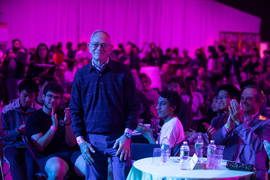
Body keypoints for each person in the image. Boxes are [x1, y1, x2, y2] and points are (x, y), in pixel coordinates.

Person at [70, 30, 141, 180]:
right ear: (89, 47)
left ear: (111, 48)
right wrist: (81, 141)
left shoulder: (123, 71)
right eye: (95, 45)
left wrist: (127, 135)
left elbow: (134, 105)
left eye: (104, 45)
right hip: (92, 140)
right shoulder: (81, 75)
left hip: (119, 138)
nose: (99, 49)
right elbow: (75, 111)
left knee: (123, 178)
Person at [26, 82, 85, 179]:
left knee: (90, 167)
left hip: (71, 153)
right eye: (50, 96)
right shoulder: (34, 118)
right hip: (49, 156)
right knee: (57, 171)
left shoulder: (63, 114)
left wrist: (67, 124)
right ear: (43, 97)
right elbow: (40, 147)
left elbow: (71, 143)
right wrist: (53, 126)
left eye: (57, 97)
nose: (53, 100)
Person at [212, 85, 270, 180]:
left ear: (259, 102)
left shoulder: (266, 123)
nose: (243, 101)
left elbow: (259, 146)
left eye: (248, 99)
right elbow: (214, 140)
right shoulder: (235, 118)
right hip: (228, 171)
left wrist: (240, 123)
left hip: (251, 174)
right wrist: (228, 126)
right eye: (242, 98)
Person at [0, 79, 41, 180]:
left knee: (31, 160)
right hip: (12, 145)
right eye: (25, 95)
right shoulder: (8, 110)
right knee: (14, 159)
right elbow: (1, 133)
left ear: (36, 95)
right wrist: (15, 132)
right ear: (19, 93)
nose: (28, 100)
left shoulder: (39, 110)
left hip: (31, 145)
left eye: (31, 96)